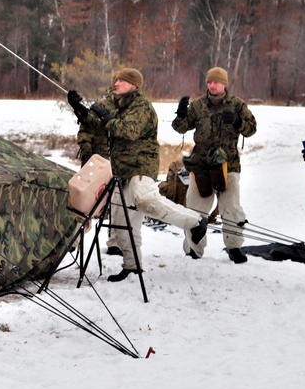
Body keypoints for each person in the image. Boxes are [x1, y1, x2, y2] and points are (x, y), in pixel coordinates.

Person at [69, 68, 207, 282]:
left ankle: (196, 221)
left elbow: (128, 131)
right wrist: (80, 110)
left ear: (133, 85)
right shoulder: (119, 105)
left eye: (122, 81)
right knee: (122, 223)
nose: (116, 83)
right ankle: (132, 266)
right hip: (121, 171)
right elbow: (98, 125)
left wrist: (107, 119)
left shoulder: (141, 107)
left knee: (146, 201)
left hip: (140, 167)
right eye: (116, 80)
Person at [172, 67, 257, 264]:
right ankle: (193, 249)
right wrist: (181, 114)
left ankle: (234, 246)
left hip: (228, 164)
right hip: (201, 165)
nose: (212, 85)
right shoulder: (199, 105)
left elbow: (251, 129)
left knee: (231, 208)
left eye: (216, 82)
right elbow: (180, 128)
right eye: (209, 82)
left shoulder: (237, 105)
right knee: (194, 208)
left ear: (224, 84)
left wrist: (238, 122)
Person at [68, 86, 127, 257]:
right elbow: (87, 128)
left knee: (118, 202)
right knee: (85, 202)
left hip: (122, 162)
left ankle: (115, 243)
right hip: (98, 163)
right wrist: (87, 154)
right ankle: (75, 239)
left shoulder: (132, 109)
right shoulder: (100, 106)